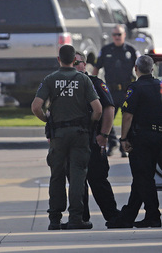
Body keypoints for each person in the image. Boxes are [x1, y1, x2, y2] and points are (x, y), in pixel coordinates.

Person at [32, 44, 102, 230]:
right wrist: (90, 124)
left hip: (58, 135)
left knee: (57, 175)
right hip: (80, 133)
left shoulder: (50, 80)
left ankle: (55, 218)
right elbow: (98, 109)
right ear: (74, 60)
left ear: (58, 60)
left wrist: (47, 120)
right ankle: (76, 218)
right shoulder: (83, 80)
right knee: (78, 174)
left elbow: (36, 107)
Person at [106, 55, 162, 229]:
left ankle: (153, 215)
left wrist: (123, 139)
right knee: (142, 177)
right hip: (158, 137)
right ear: (152, 69)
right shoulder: (161, 86)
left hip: (141, 138)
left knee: (143, 178)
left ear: (136, 69)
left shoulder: (135, 88)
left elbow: (127, 116)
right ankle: (127, 217)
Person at [73, 51, 119, 224]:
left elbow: (108, 108)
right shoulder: (63, 84)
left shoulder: (95, 83)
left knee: (98, 179)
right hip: (73, 142)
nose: (75, 66)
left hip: (93, 139)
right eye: (71, 63)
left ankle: (112, 216)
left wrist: (104, 135)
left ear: (85, 65)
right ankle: (81, 219)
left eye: (78, 63)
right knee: (77, 183)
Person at [92, 24, 139, 156]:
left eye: (119, 34)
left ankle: (125, 145)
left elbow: (139, 68)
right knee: (107, 116)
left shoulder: (131, 50)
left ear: (124, 35)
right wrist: (91, 83)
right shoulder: (106, 50)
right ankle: (112, 143)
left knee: (128, 117)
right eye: (114, 35)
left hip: (126, 91)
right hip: (110, 90)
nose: (117, 37)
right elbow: (96, 67)